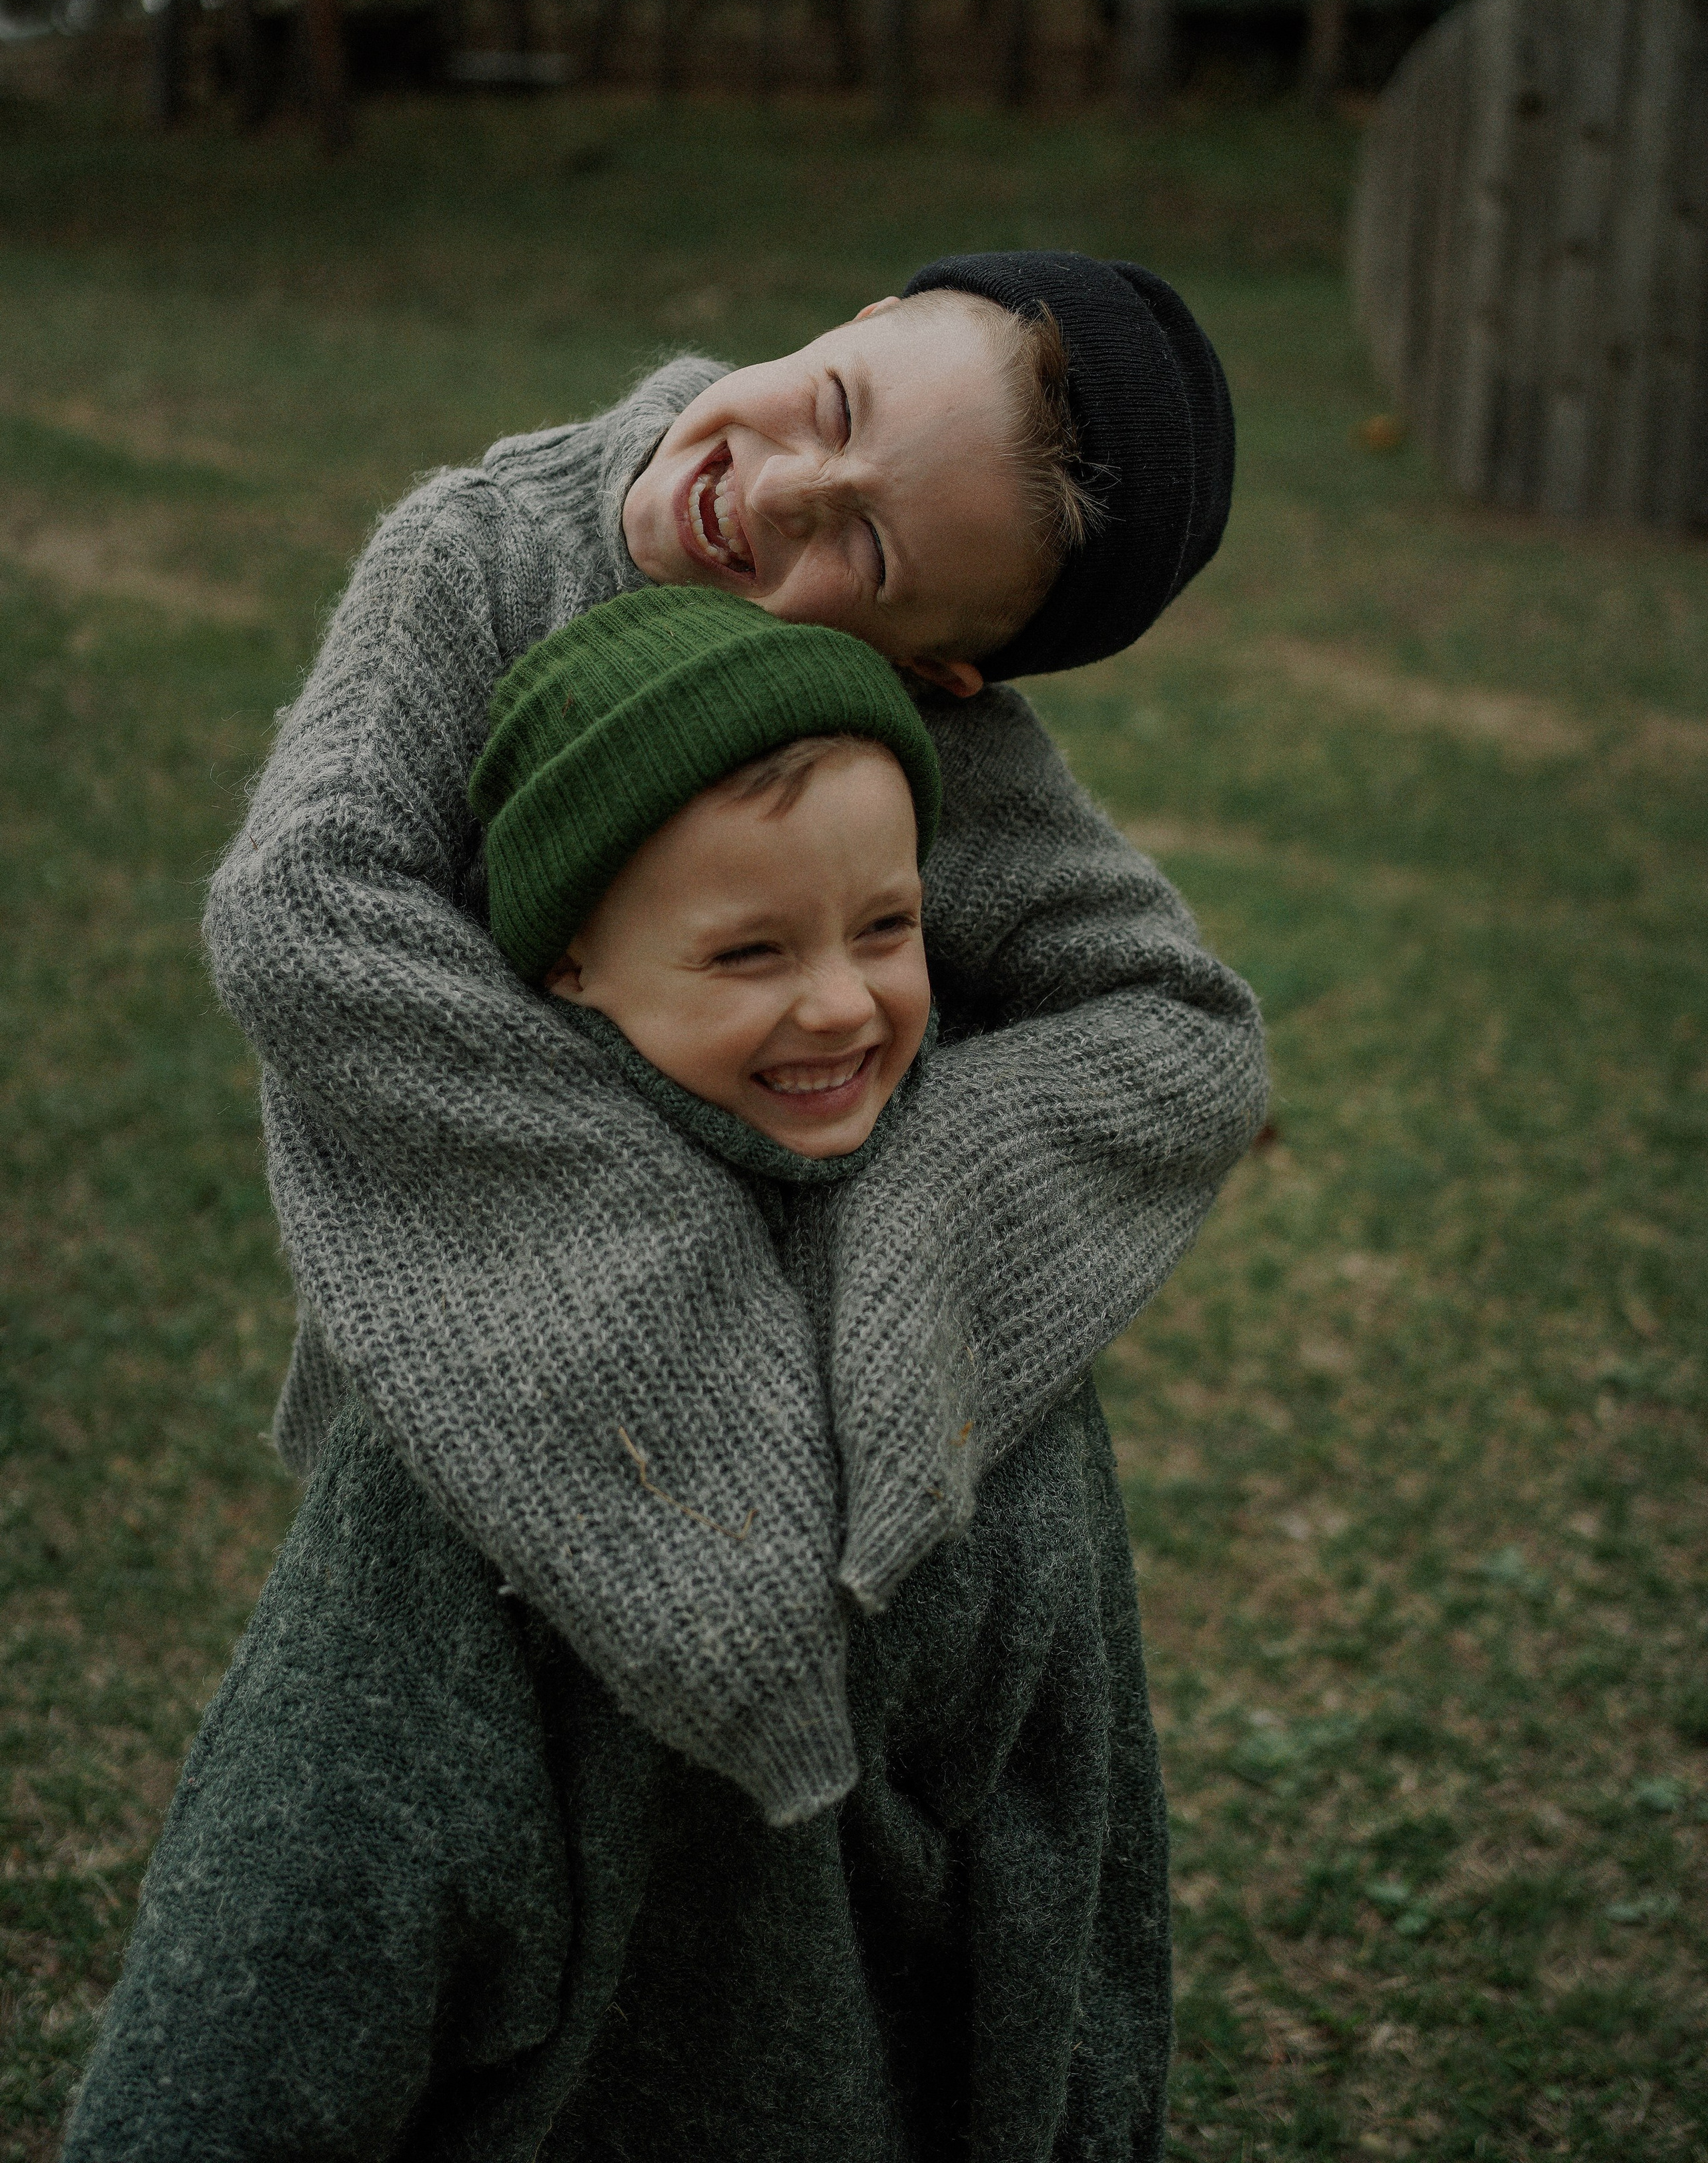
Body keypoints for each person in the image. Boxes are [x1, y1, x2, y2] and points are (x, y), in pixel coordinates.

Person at [61, 593, 1174, 2162]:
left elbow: (1075, 1808)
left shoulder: (989, 1291)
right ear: (570, 962)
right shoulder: (482, 1394)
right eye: (746, 952)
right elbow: (300, 1901)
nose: (844, 1005)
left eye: (886, 926)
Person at [190, 248, 1268, 1828]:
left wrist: (907, 1232)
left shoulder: (891, 721)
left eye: (869, 546)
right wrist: (665, 1216)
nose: (778, 491)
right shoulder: (479, 557)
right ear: (862, 320)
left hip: (837, 1449)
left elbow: (1180, 1029)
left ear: (929, 674)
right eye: (832, 405)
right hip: (490, 1342)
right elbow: (301, 908)